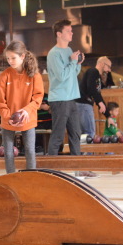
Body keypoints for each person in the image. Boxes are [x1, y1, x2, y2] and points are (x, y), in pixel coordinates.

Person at [0, 41, 44, 174]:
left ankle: (30, 178)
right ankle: (10, 178)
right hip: (8, 120)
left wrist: (27, 110)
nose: (10, 61)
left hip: (28, 118)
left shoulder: (35, 75)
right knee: (8, 152)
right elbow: (0, 101)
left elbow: (38, 97)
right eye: (8, 58)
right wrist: (8, 117)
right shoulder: (4, 76)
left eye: (13, 58)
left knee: (30, 151)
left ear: (22, 56)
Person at [46, 19, 83, 156]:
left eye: (71, 31)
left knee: (76, 134)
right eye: (68, 31)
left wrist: (78, 63)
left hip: (71, 98)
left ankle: (76, 166)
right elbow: (61, 76)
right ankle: (51, 166)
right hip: (59, 99)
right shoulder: (53, 53)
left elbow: (73, 74)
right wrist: (73, 62)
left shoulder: (69, 50)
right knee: (58, 136)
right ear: (59, 34)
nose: (71, 33)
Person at [77, 56, 111, 138]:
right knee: (89, 133)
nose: (109, 70)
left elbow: (97, 94)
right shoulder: (93, 71)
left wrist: (108, 116)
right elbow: (91, 88)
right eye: (108, 66)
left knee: (84, 135)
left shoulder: (96, 76)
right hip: (83, 105)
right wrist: (100, 103)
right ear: (102, 64)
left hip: (81, 105)